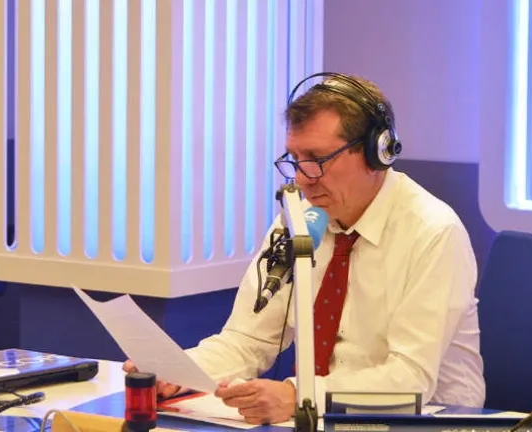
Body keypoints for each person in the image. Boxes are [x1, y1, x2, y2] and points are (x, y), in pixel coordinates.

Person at [124, 72, 485, 424]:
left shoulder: (433, 233)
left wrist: (299, 396)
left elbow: (410, 381)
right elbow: (247, 339)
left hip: (432, 420)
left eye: (316, 159)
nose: (301, 178)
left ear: (377, 154)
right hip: (318, 419)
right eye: (295, 159)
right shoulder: (300, 218)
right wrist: (179, 372)